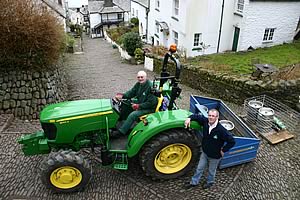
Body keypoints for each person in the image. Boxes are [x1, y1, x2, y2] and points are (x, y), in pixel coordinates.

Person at [184, 109, 235, 189]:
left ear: (217, 117)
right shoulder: (205, 122)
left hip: (215, 156)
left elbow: (232, 141)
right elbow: (196, 116)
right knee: (199, 168)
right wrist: (189, 118)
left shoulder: (222, 130)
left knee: (211, 171)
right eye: (209, 115)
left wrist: (223, 150)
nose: (211, 117)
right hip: (205, 152)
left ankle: (210, 182)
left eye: (213, 116)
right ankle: (194, 182)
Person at [111, 70, 158, 138]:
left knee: (133, 115)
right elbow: (132, 92)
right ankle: (119, 122)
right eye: (138, 77)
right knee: (125, 104)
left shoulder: (150, 87)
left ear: (146, 77)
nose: (140, 79)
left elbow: (151, 103)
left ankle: (121, 132)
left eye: (142, 77)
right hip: (141, 103)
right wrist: (122, 95)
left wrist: (139, 106)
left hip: (149, 108)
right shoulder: (139, 84)